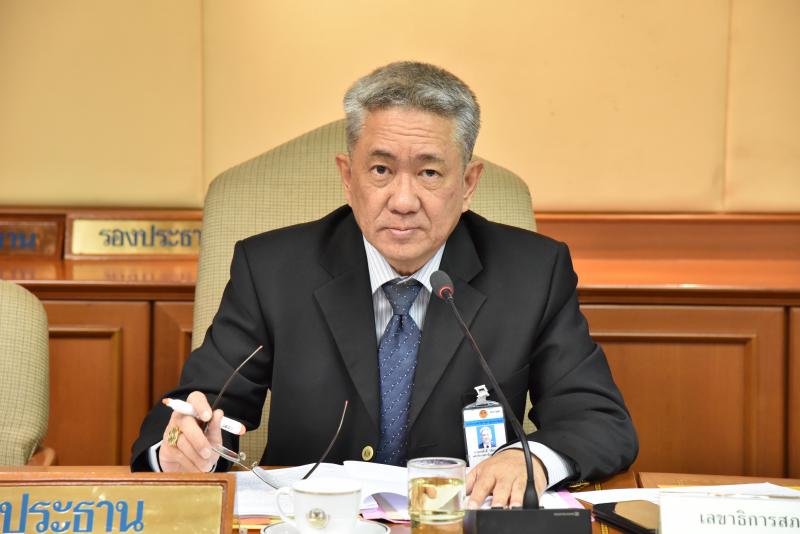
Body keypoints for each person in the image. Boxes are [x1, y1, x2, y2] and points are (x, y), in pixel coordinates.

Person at [131, 61, 637, 509]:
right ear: (347, 178)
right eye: (380, 169)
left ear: (468, 184)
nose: (403, 200)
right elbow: (197, 408)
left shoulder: (533, 272)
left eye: (430, 173)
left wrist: (535, 460)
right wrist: (180, 450)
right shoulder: (272, 269)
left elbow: (598, 419)